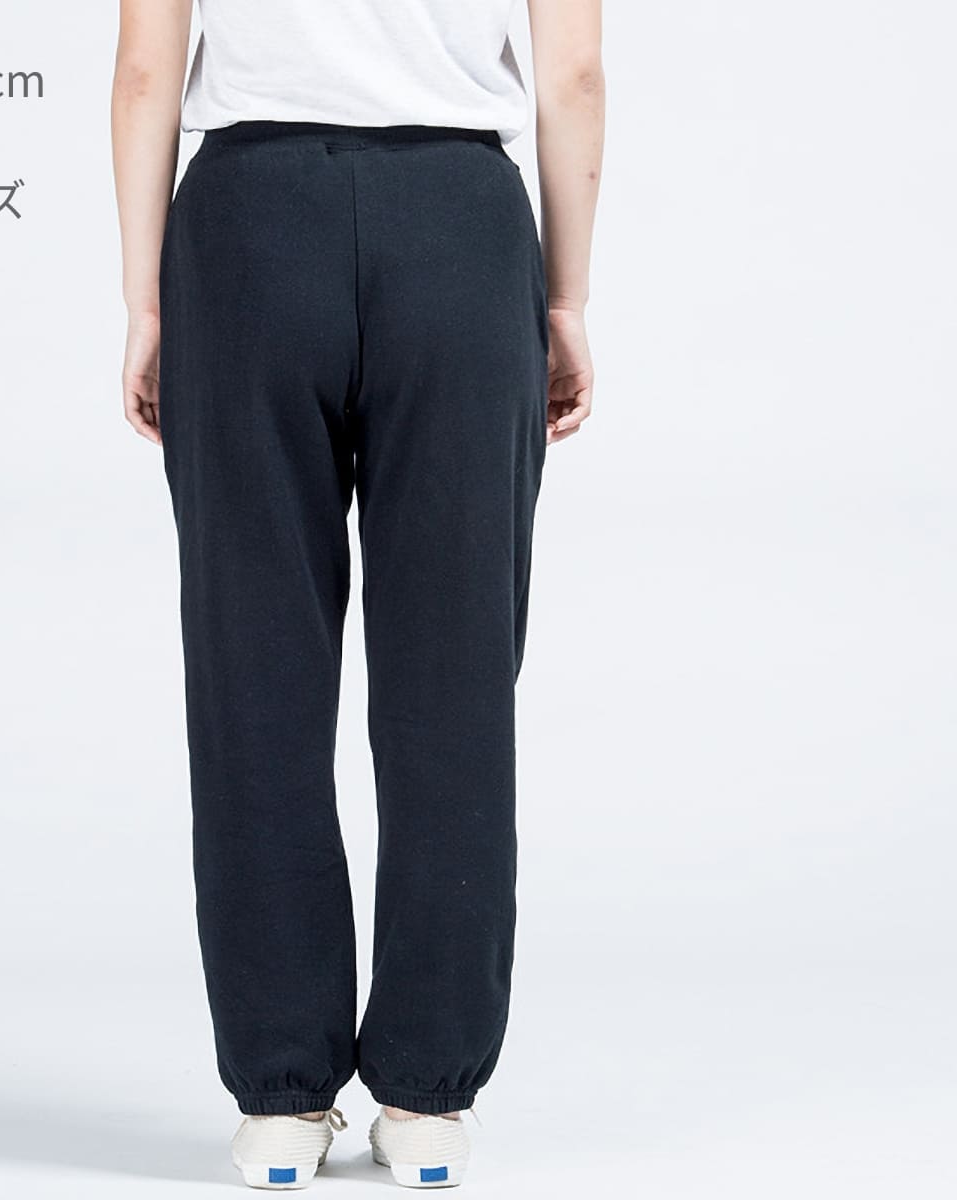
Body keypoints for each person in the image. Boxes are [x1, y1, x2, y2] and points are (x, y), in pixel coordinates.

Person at [111, 0, 603, 1188]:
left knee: (254, 673)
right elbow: (575, 77)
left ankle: (282, 1099)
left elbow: (143, 76)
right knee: (455, 679)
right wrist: (566, 301)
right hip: (460, 228)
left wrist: (146, 303)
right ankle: (429, 1100)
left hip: (245, 229)